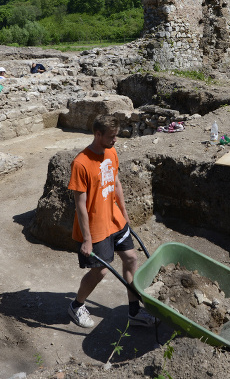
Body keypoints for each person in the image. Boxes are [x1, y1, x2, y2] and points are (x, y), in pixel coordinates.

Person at [67, 114, 155, 329]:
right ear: (98, 134)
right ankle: (76, 305)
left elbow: (116, 184)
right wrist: (86, 240)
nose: (116, 140)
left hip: (114, 220)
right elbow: (80, 205)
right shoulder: (81, 163)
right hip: (96, 227)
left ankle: (134, 312)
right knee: (100, 271)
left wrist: (124, 214)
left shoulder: (111, 152)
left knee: (131, 259)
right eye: (112, 136)